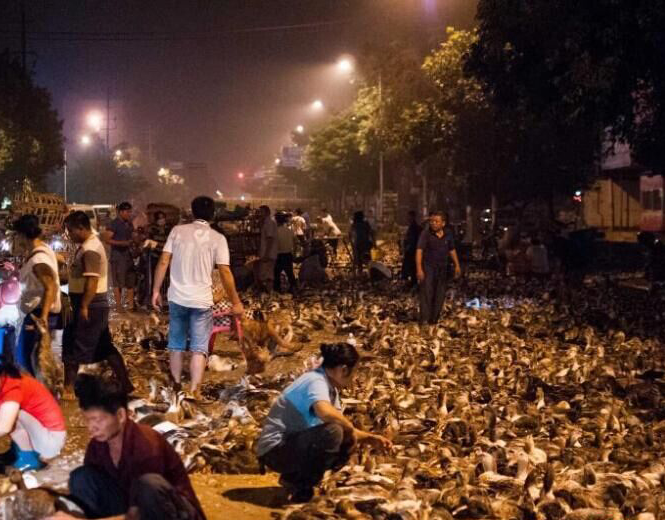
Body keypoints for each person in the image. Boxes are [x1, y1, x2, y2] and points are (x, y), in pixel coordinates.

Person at [51, 374, 206, 520]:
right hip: (129, 503)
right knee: (82, 477)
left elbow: (139, 511)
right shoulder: (98, 444)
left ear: (121, 415)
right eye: (88, 420)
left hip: (172, 512)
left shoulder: (147, 445)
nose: (92, 427)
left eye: (98, 420)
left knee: (149, 485)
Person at [257, 343, 391, 503]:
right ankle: (302, 487)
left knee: (344, 435)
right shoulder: (315, 380)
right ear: (344, 370)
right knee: (335, 431)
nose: (354, 378)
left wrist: (371, 438)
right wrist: (349, 428)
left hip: (289, 447)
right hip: (275, 450)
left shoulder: (330, 390)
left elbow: (343, 427)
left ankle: (294, 478)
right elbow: (326, 413)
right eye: (354, 372)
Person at [152, 196, 244, 397]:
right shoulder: (218, 238)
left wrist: (156, 291)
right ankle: (195, 390)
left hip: (177, 298)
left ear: (192, 213)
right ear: (212, 215)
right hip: (202, 301)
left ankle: (176, 385)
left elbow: (163, 261)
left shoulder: (177, 232)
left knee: (175, 345)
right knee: (199, 349)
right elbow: (225, 272)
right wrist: (236, 301)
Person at [62, 211, 133, 399]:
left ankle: (68, 389)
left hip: (90, 303)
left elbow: (92, 282)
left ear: (81, 228)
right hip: (94, 303)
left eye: (70, 230)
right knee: (104, 346)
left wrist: (84, 306)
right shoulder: (87, 245)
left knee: (73, 345)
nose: (69, 235)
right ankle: (126, 385)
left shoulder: (91, 248)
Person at [12, 215, 61, 374]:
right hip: (38, 314)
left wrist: (43, 318)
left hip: (38, 315)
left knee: (29, 360)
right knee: (31, 360)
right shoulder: (41, 251)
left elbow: (50, 286)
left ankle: (39, 395)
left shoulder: (39, 258)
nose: (16, 239)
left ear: (23, 235)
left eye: (16, 235)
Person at [416, 211, 462, 325]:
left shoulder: (448, 234)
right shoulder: (425, 234)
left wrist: (457, 265)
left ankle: (434, 319)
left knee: (440, 294)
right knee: (427, 293)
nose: (433, 223)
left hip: (443, 268)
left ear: (443, 223)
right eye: (431, 221)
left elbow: (452, 250)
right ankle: (424, 320)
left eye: (436, 221)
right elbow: (419, 251)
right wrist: (419, 269)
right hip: (428, 268)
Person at [104, 202, 136, 312]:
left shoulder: (129, 224)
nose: (129, 214)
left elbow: (132, 236)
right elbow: (107, 239)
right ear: (121, 212)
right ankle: (118, 305)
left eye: (130, 211)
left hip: (128, 256)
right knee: (118, 282)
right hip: (118, 256)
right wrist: (121, 243)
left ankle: (131, 305)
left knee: (130, 281)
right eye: (127, 212)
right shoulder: (114, 224)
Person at [273, 213, 296, 293]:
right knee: (290, 273)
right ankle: (294, 288)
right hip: (288, 254)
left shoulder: (275, 232)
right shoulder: (289, 231)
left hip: (279, 255)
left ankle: (277, 290)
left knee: (276, 274)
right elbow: (294, 242)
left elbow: (274, 245)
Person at [257, 205, 277, 292]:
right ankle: (267, 292)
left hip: (268, 254)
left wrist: (266, 254)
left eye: (261, 212)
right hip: (267, 253)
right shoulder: (266, 222)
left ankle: (269, 293)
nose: (259, 214)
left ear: (266, 212)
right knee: (265, 274)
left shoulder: (269, 223)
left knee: (268, 275)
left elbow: (270, 239)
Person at [401, 211, 422, 283]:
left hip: (412, 250)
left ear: (413, 217)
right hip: (412, 249)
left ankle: (413, 282)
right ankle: (413, 282)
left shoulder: (414, 227)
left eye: (409, 216)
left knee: (412, 266)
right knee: (412, 267)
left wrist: (408, 247)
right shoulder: (412, 226)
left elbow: (412, 240)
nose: (408, 218)